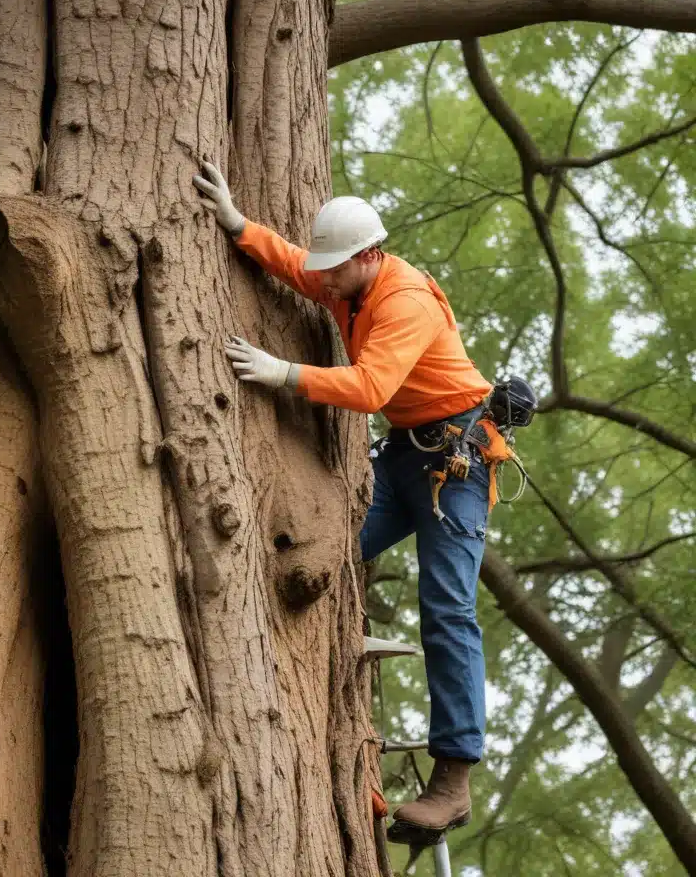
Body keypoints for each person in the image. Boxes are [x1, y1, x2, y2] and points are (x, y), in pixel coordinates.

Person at [193, 159, 493, 844]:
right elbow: (299, 265)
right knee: (332, 546)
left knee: (447, 606)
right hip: (403, 457)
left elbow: (371, 389)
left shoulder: (403, 300)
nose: (322, 277)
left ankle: (453, 778)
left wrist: (284, 374)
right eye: (326, 268)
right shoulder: (346, 286)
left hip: (458, 463)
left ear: (369, 256)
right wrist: (238, 224)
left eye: (336, 266)